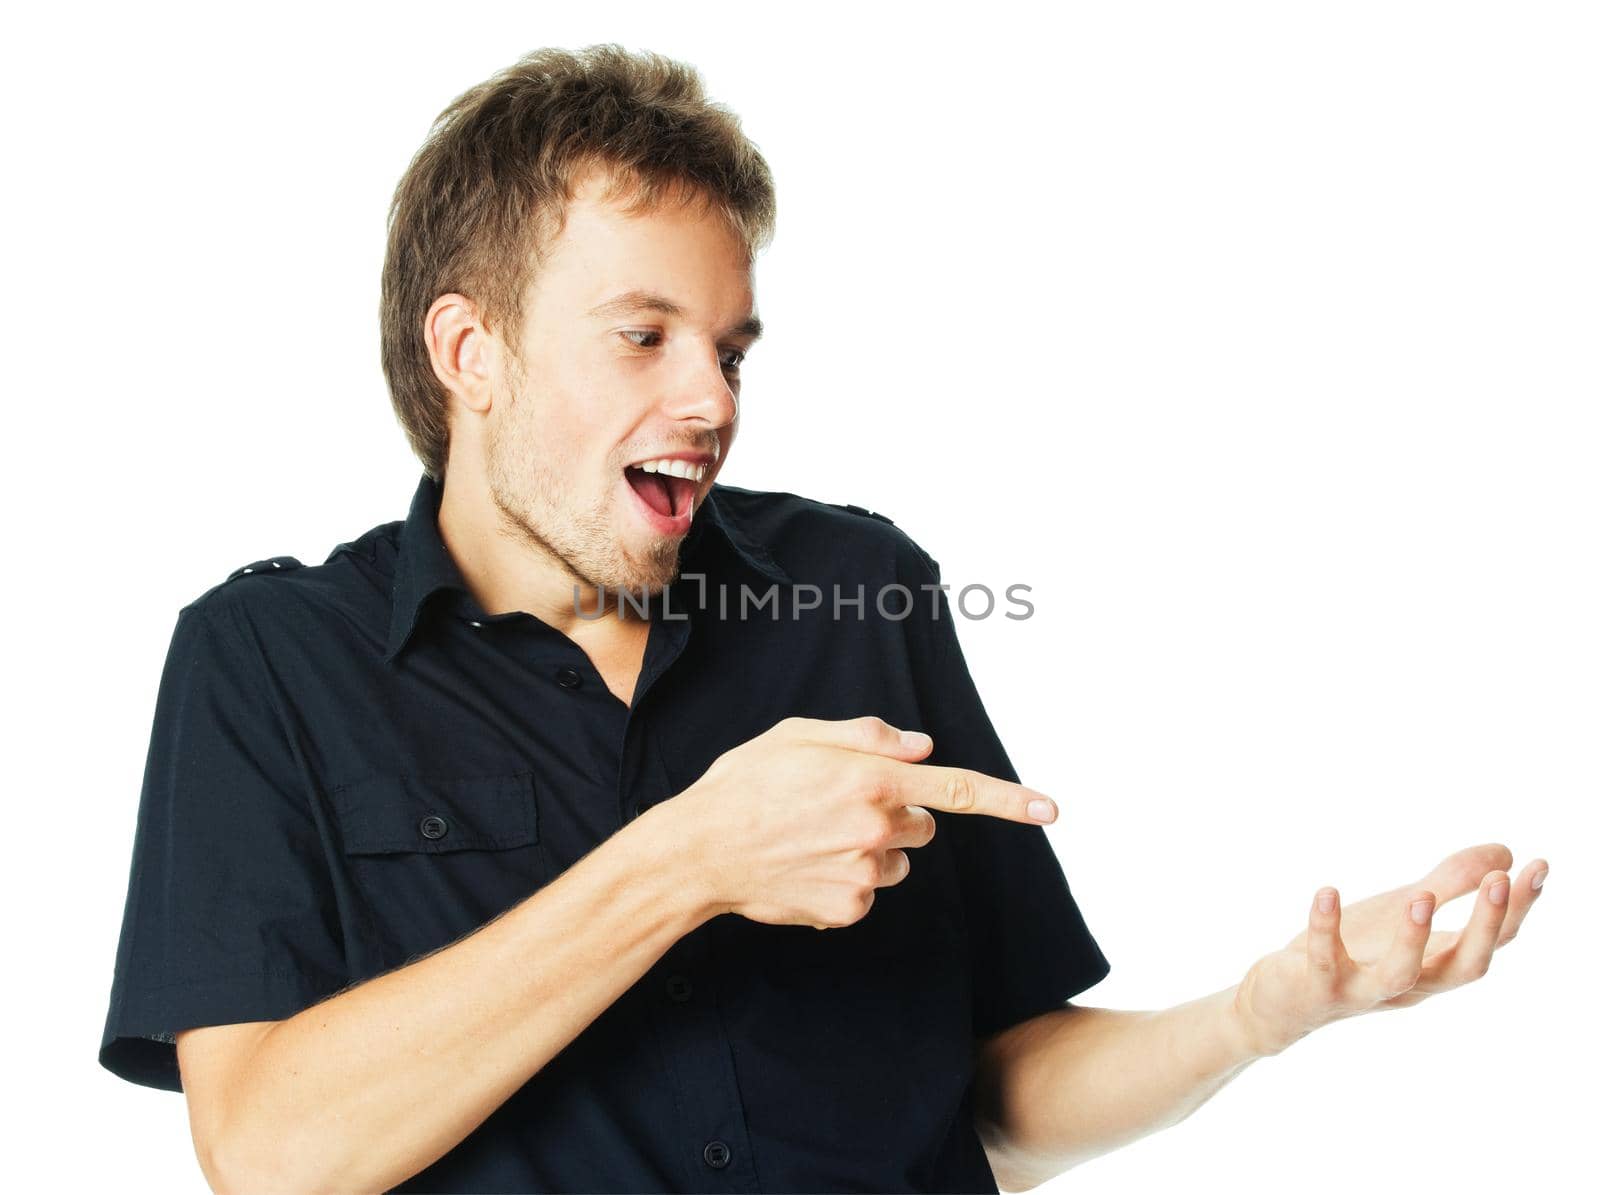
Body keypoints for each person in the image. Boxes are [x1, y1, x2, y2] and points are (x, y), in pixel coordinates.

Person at [97, 44, 1550, 1194]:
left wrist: (1263, 1014)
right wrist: (686, 860)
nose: (712, 402)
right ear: (471, 351)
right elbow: (272, 1156)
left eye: (730, 349)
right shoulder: (265, 661)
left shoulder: (863, 596)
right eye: (644, 336)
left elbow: (992, 1109)